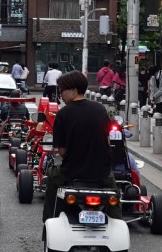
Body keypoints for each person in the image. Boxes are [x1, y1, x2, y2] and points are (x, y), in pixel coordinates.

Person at [42, 70, 121, 222]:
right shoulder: (100, 110)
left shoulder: (62, 114)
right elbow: (108, 142)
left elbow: (62, 151)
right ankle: (117, 221)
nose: (60, 95)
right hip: (101, 173)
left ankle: (49, 220)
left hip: (72, 172)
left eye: (62, 90)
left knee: (52, 177)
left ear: (73, 90)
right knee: (113, 194)